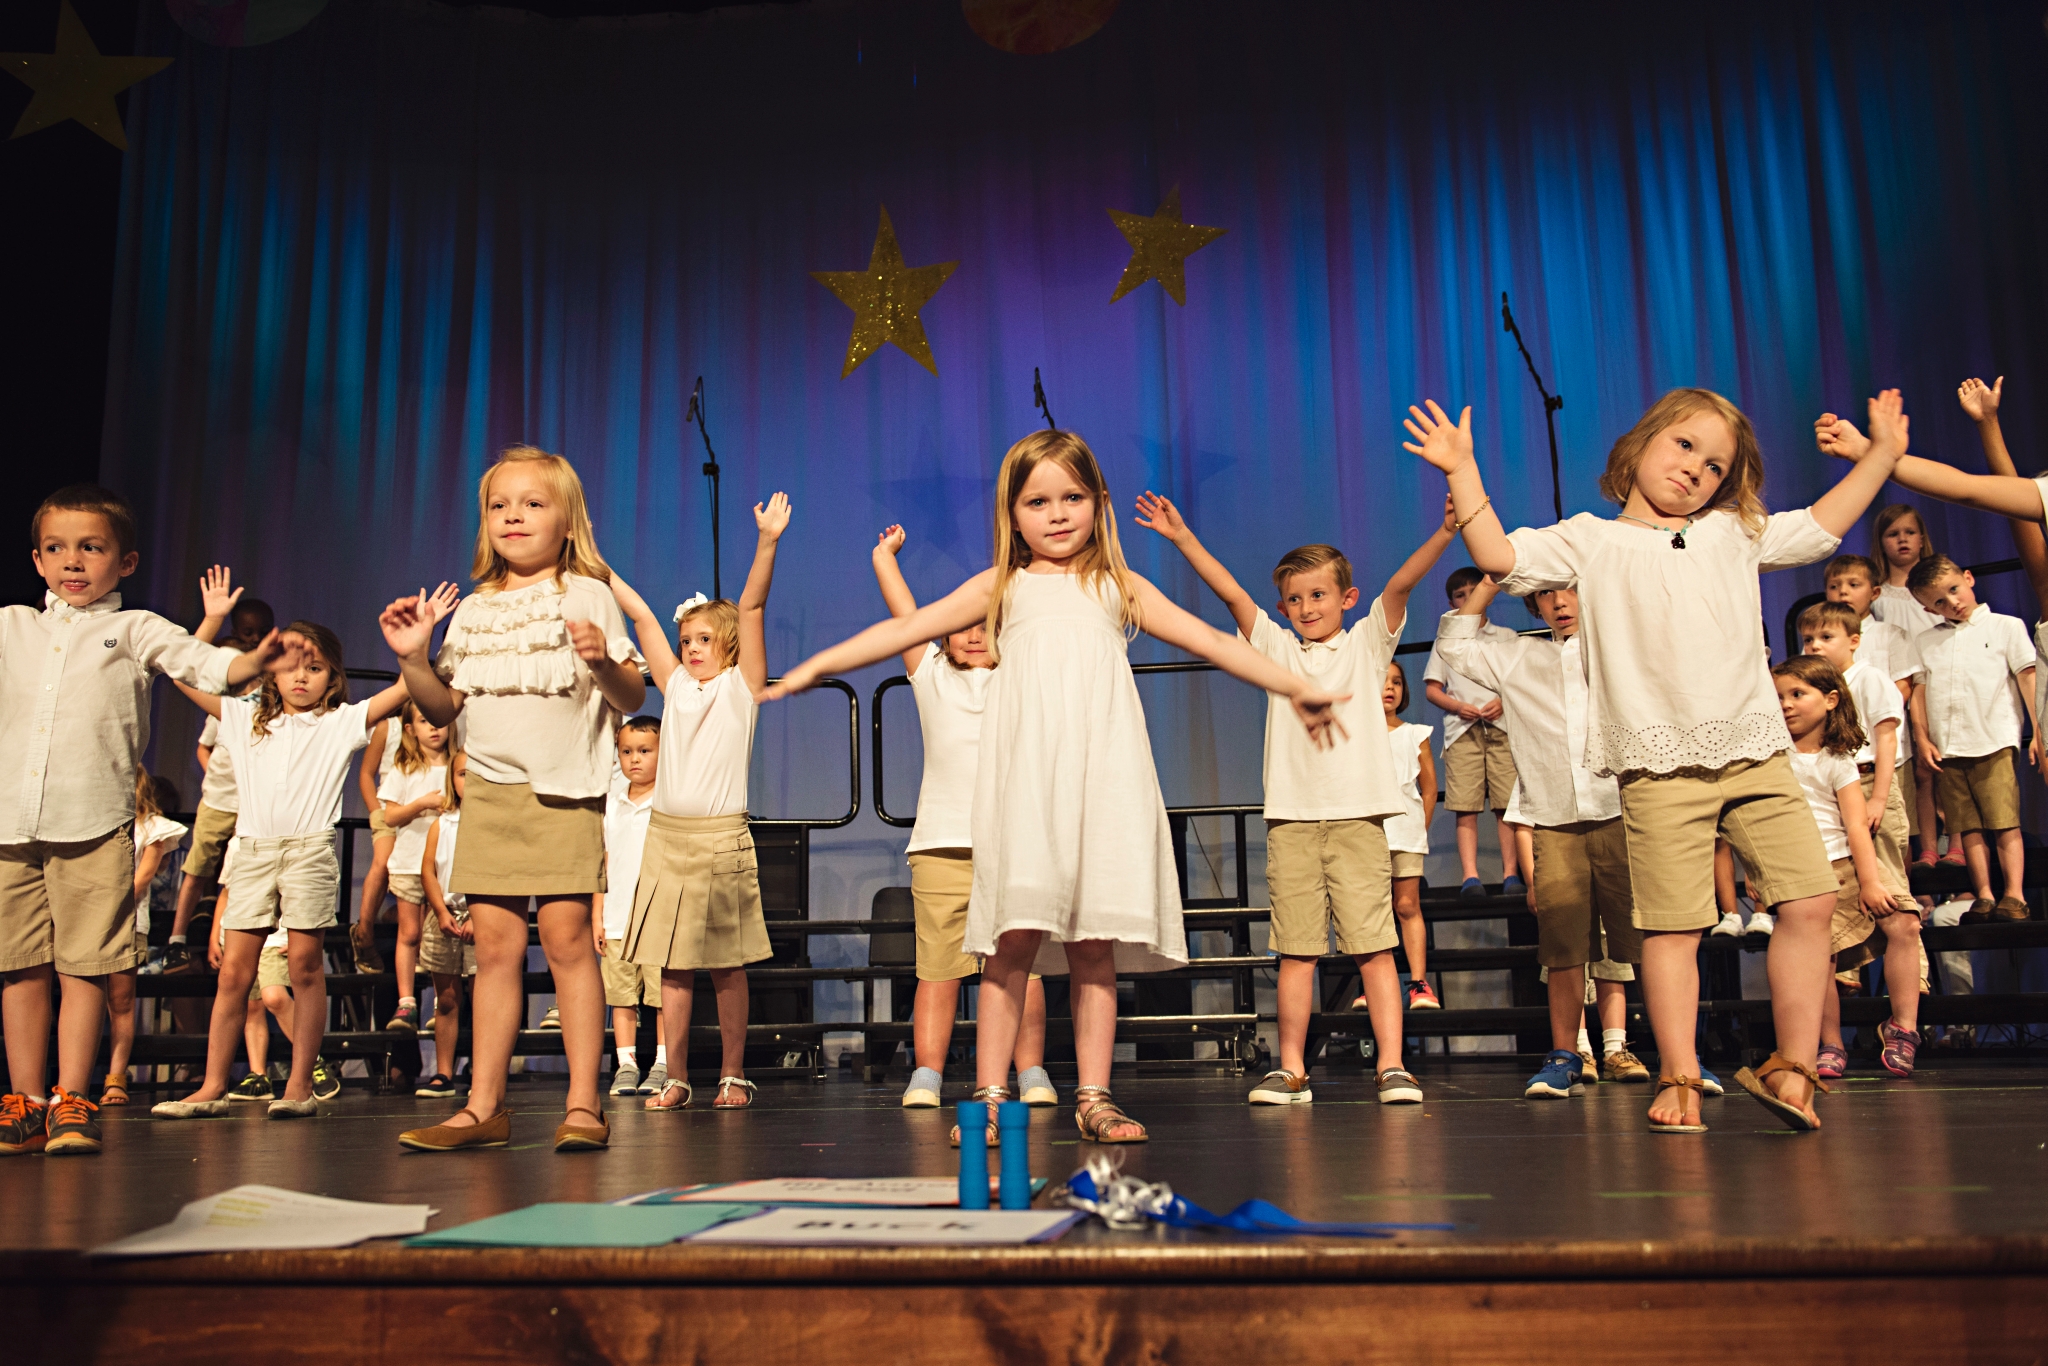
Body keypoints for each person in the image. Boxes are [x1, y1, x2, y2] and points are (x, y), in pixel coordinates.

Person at [763, 431, 1347, 1145]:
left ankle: (1095, 1096)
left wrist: (1293, 684)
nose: (1058, 513)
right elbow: (907, 628)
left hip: (1102, 782)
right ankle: (989, 1096)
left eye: (1072, 497)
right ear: (1012, 515)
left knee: (1093, 947)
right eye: (1038, 502)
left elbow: (1213, 641)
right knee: (1010, 944)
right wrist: (813, 667)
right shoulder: (1001, 587)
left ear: (1098, 502)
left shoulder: (1117, 586)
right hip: (1028, 791)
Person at [1412, 387, 1909, 1133]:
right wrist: (1462, 468)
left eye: (1715, 467)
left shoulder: (1733, 532)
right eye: (1684, 446)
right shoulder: (1591, 540)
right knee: (1674, 927)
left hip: (1753, 751)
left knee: (1809, 901)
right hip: (1658, 765)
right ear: (1642, 442)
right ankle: (1678, 1071)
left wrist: (1883, 456)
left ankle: (1793, 1064)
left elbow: (1821, 526)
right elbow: (1498, 556)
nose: (1695, 470)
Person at [1132, 487, 1452, 1109]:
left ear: (1347, 599)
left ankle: (1392, 1065)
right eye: (1296, 599)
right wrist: (1182, 538)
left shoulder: (1366, 644)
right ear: (1283, 606)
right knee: (1297, 952)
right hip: (1293, 824)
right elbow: (1232, 595)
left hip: (1358, 821)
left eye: (1319, 595)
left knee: (1374, 948)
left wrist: (1444, 533)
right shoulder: (1277, 649)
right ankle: (1292, 1070)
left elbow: (1401, 585)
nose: (1307, 607)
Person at [381, 445, 645, 1153]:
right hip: (490, 795)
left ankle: (584, 1102)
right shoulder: (474, 610)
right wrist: (412, 659)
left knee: (566, 944)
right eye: (499, 505)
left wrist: (600, 660)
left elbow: (630, 696)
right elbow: (441, 708)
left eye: (532, 503)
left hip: (563, 792)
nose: (513, 516)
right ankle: (483, 1106)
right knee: (494, 952)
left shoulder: (586, 593)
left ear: (567, 519)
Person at [0, 488, 276, 1157]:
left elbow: (202, 663)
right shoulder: (13, 626)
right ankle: (24, 1101)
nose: (73, 561)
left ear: (124, 562)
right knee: (20, 968)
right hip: (12, 826)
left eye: (91, 548)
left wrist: (251, 662)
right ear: (37, 560)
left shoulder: (134, 629)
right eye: (57, 548)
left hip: (92, 824)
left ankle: (72, 1097)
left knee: (85, 969)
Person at [153, 621, 406, 1121]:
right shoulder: (243, 717)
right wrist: (210, 621)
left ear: (333, 677)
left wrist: (413, 648)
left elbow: (403, 689)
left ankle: (299, 1085)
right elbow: (183, 673)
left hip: (309, 851)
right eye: (291, 667)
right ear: (271, 671)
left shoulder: (340, 722)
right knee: (234, 973)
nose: (301, 677)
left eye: (315, 668)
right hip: (252, 851)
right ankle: (212, 1085)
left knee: (305, 966)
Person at [609, 496, 790, 1113]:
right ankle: (677, 1076)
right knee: (672, 966)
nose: (690, 648)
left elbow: (753, 605)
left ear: (729, 646)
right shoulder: (675, 686)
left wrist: (767, 541)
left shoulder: (741, 687)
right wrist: (594, 565)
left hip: (719, 841)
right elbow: (640, 615)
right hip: (667, 839)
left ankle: (733, 1075)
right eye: (686, 639)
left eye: (705, 639)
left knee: (726, 966)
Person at [1435, 575, 1647, 1101]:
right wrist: (1495, 578)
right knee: (1563, 947)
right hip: (1555, 819)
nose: (1559, 602)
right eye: (1545, 594)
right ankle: (1566, 1055)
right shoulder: (1518, 656)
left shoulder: (1622, 648)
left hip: (1624, 812)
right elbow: (1454, 644)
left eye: (1569, 589)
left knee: (1645, 939)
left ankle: (1674, 1053)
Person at [870, 524, 1054, 1112]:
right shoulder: (930, 675)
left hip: (1014, 842)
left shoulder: (1019, 676)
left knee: (1023, 971)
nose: (974, 635)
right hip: (942, 844)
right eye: (962, 626)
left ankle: (1030, 1071)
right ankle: (927, 1073)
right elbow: (905, 615)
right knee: (938, 969)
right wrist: (885, 559)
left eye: (986, 625)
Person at [1772, 656, 1921, 1083]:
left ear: (1831, 699)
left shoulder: (1838, 760)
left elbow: (1856, 824)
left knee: (1905, 922)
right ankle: (1830, 1042)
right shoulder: (1773, 759)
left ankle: (1903, 1027)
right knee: (1820, 955)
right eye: (1779, 696)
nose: (1786, 704)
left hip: (1848, 861)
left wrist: (1870, 880)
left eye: (1797, 694)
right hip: (1805, 870)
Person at [1904, 556, 2037, 923]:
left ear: (1968, 578)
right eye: (1939, 601)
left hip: (1992, 740)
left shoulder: (2005, 626)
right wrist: (1922, 738)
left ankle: (2015, 894)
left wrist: (2040, 730)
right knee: (1966, 825)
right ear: (1928, 608)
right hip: (1949, 747)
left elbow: (2028, 678)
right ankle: (1985, 894)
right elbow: (1919, 693)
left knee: (2003, 819)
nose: (1952, 603)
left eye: (1954, 590)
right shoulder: (1927, 641)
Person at [162, 572, 274, 973]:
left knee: (239, 873)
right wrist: (215, 777)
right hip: (220, 799)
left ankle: (235, 937)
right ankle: (176, 939)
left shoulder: (269, 700)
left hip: (253, 806)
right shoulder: (224, 707)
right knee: (198, 867)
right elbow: (184, 673)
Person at [1424, 568, 1523, 901]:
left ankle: (1511, 873)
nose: (1468, 599)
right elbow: (1432, 689)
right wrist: (1457, 707)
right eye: (1460, 595)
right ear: (1451, 601)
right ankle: (1470, 876)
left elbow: (1518, 682)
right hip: (1463, 730)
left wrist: (1502, 700)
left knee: (1506, 804)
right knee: (1464, 805)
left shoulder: (1505, 636)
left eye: (1473, 592)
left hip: (1502, 727)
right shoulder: (1446, 640)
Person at [1866, 503, 1948, 862]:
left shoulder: (1936, 589)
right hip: (1901, 690)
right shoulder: (1879, 596)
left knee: (1945, 766)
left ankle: (1953, 841)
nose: (1902, 540)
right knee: (1918, 771)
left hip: (1937, 683)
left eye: (1909, 532)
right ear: (1880, 541)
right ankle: (1924, 846)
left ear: (1921, 537)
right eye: (1893, 534)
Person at [101, 774, 188, 1105]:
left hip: (127, 922)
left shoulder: (152, 827)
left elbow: (144, 876)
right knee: (85, 998)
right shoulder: (98, 819)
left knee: (121, 1001)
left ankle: (116, 1078)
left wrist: (107, 911)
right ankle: (75, 1081)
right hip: (85, 925)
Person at [596, 717, 665, 1098]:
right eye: (626, 751)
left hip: (658, 920)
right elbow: (604, 862)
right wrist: (598, 915)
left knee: (661, 995)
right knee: (622, 996)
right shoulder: (612, 802)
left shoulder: (669, 800)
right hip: (617, 917)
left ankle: (664, 1063)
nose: (634, 759)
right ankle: (626, 1063)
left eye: (644, 751)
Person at [378, 702, 453, 1034]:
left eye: (438, 721)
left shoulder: (456, 767)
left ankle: (441, 1003)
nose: (433, 728)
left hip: (443, 866)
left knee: (440, 935)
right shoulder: (405, 769)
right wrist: (422, 803)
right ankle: (406, 1001)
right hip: (409, 862)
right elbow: (390, 816)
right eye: (424, 721)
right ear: (410, 729)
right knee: (409, 933)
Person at [416, 751, 478, 1098]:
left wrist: (479, 917)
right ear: (452, 780)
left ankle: (483, 1074)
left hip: (481, 919)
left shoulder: (491, 825)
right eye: (462, 774)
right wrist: (440, 911)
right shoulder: (442, 824)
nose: (468, 781)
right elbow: (428, 870)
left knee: (484, 1001)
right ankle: (443, 1072)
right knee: (448, 999)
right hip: (446, 917)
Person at [1379, 661, 1437, 1010]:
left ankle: (1418, 983)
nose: (1390, 687)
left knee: (1406, 905)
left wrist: (1419, 827)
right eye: (1383, 680)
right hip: (1369, 833)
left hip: (1405, 832)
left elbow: (1429, 789)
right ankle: (1376, 984)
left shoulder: (1415, 733)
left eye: (1397, 682)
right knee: (1374, 910)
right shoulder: (1359, 734)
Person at [346, 716, 401, 974]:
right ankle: (364, 931)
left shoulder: (442, 726)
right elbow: (366, 773)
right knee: (383, 861)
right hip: (388, 809)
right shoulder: (389, 727)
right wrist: (375, 810)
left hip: (423, 812)